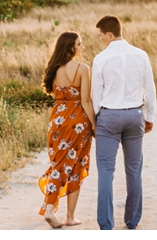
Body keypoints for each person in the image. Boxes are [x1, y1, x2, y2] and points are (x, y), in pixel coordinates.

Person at [91, 15, 157, 231]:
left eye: (101, 36)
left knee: (105, 171)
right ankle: (132, 220)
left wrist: (98, 119)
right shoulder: (141, 55)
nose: (101, 40)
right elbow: (150, 88)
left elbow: (96, 95)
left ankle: (106, 225)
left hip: (109, 117)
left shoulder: (101, 59)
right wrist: (150, 116)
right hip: (135, 115)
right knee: (134, 169)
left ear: (109, 34)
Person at [38, 30, 95, 228]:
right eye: (79, 44)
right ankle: (58, 212)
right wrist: (94, 124)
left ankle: (54, 210)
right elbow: (86, 101)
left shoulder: (53, 68)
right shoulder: (82, 68)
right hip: (78, 123)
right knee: (75, 167)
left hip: (56, 121)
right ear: (70, 46)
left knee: (59, 165)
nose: (82, 47)